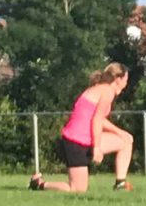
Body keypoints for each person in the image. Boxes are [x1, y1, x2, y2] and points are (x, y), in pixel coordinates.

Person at [32, 63, 136, 194]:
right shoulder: (107, 91)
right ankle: (39, 184)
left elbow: (99, 118)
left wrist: (121, 132)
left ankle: (120, 183)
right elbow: (97, 120)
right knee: (77, 189)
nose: (126, 84)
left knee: (126, 140)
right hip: (75, 142)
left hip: (87, 139)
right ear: (118, 79)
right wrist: (97, 148)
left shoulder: (101, 89)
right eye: (125, 80)